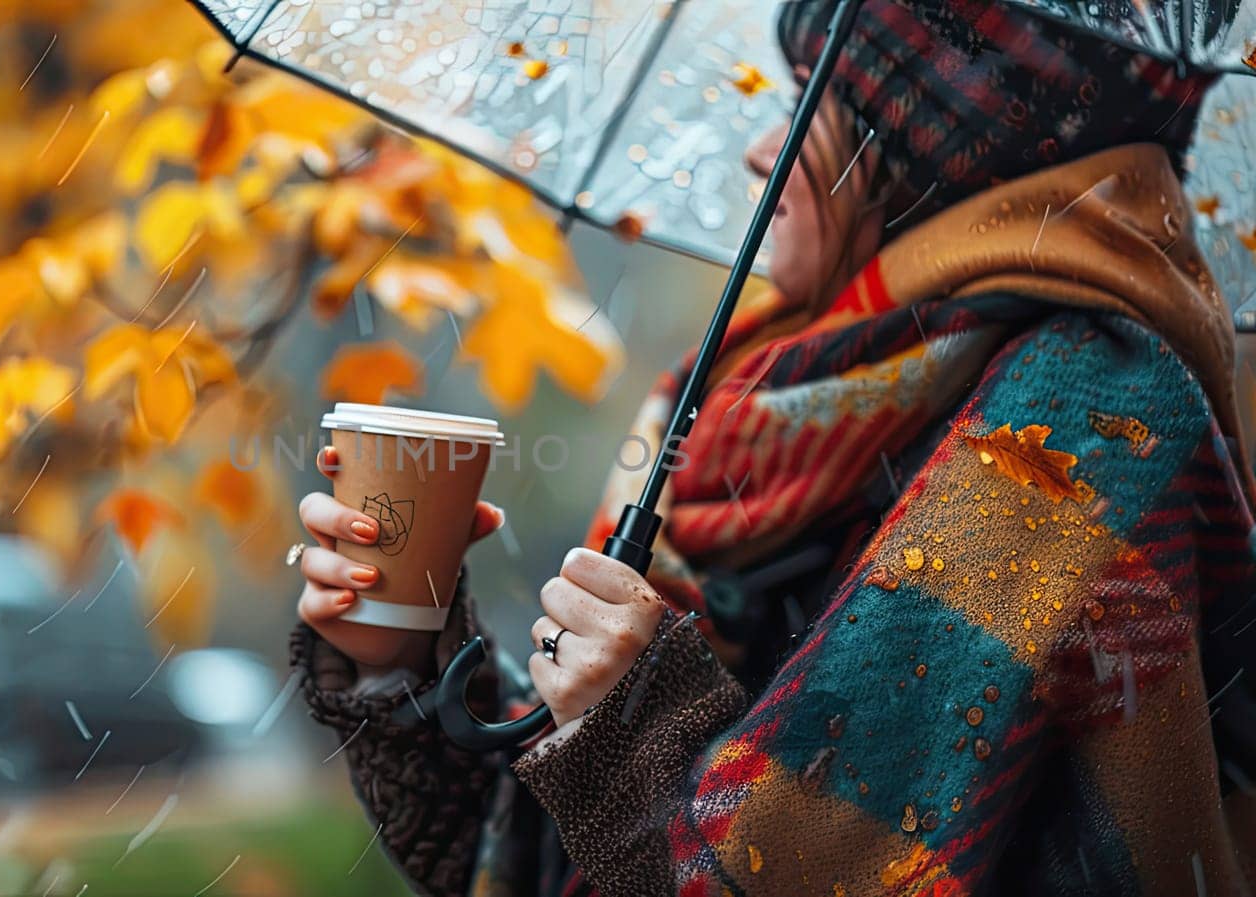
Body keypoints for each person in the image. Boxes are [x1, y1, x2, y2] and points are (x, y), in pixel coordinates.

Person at [288, 2, 1256, 894]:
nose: (761, 151)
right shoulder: (755, 390)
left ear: (934, 134)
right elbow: (557, 867)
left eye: (807, 105)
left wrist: (639, 725)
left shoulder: (1079, 415)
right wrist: (395, 655)